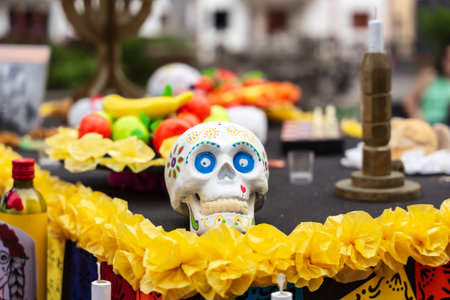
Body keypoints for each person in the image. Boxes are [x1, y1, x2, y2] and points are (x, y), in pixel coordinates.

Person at [403, 45, 450, 124]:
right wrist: (417, 116)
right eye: (448, 58)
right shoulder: (429, 75)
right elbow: (409, 100)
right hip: (425, 121)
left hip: (445, 123)